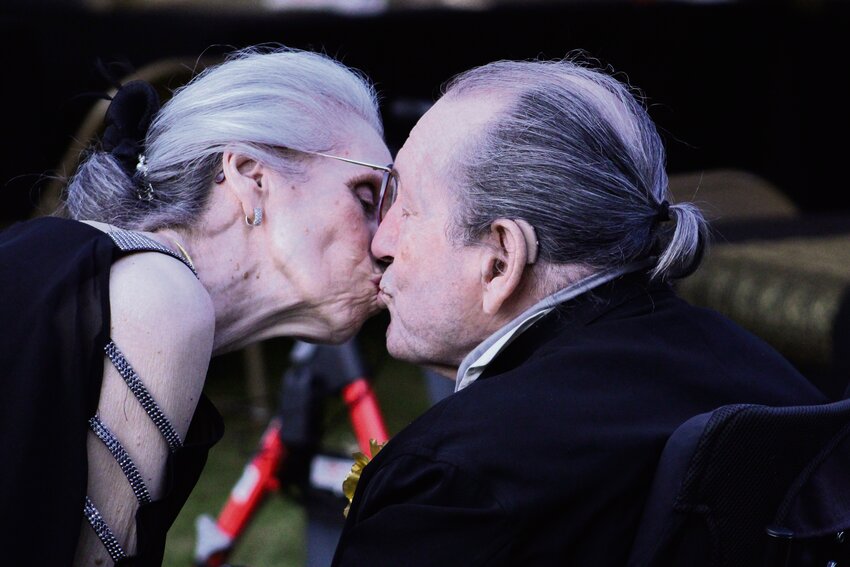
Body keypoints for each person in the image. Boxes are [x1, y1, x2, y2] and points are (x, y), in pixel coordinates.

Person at [331, 57, 828, 566]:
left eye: (405, 209)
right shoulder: (786, 392)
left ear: (500, 259)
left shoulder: (454, 481)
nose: (381, 240)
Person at [0, 45, 393, 566]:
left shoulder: (93, 268)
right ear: (252, 176)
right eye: (367, 197)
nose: (388, 240)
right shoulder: (157, 292)